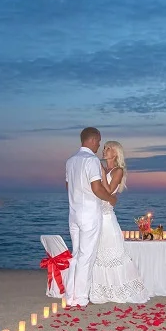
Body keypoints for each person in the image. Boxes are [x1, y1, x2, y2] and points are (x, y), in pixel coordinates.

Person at [90, 141, 149, 304]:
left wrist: (101, 173)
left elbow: (108, 191)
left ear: (116, 153)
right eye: (104, 148)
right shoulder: (103, 169)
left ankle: (120, 289)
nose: (104, 150)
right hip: (96, 214)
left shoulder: (118, 171)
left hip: (107, 217)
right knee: (98, 254)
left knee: (113, 253)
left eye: (108, 148)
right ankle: (102, 290)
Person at [65, 127, 116, 307]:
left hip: (73, 214)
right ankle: (81, 298)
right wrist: (111, 198)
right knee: (87, 256)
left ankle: (70, 296)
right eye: (99, 142)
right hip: (89, 215)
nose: (99, 145)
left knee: (76, 254)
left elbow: (68, 186)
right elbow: (97, 188)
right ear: (93, 140)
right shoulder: (91, 160)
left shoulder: (70, 161)